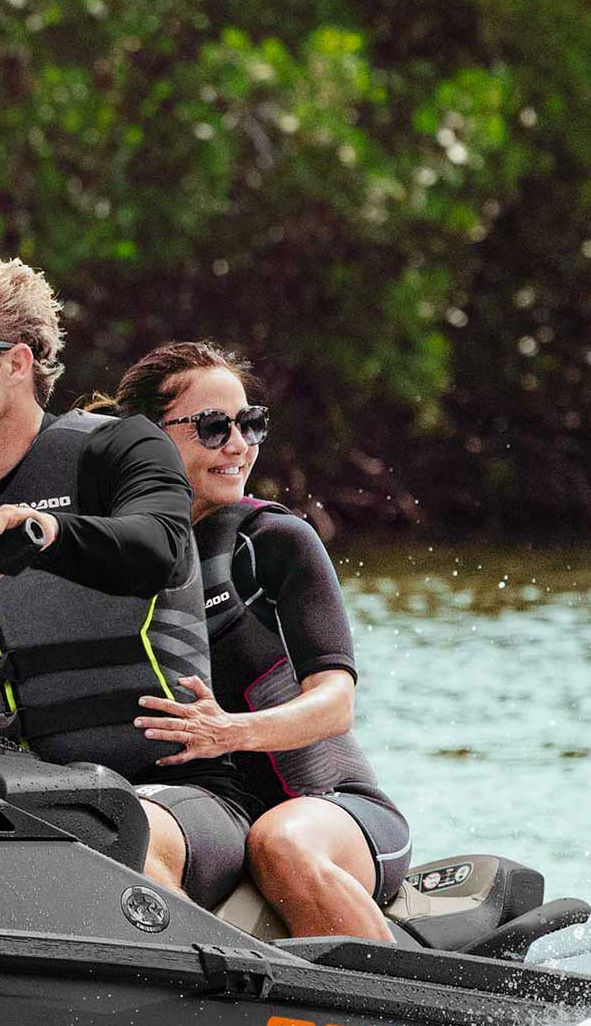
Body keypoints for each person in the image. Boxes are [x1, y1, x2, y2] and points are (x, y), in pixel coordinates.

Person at [0, 256, 246, 906]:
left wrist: (41, 531)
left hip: (177, 796)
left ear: (15, 364)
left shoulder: (118, 452)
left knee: (105, 831)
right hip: (20, 802)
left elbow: (157, 545)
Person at [114, 342, 410, 942]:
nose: (239, 444)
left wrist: (228, 731)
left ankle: (401, 1016)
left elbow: (335, 703)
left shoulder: (275, 540)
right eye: (213, 426)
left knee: (278, 842)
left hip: (330, 810)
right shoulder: (109, 554)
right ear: (144, 440)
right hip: (207, 818)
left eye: (250, 424)